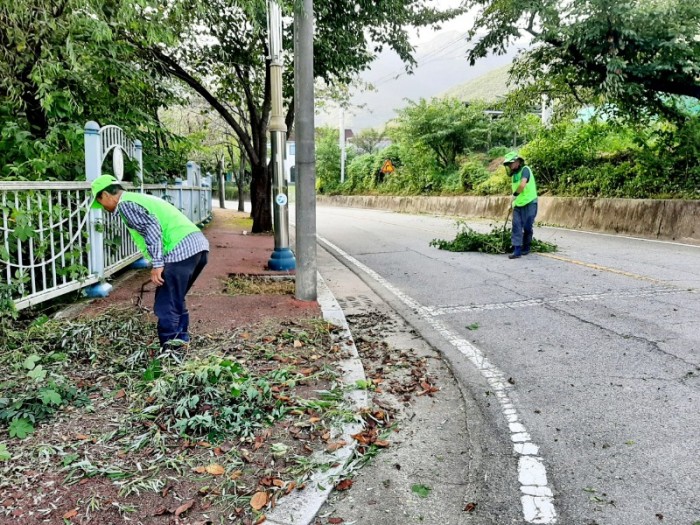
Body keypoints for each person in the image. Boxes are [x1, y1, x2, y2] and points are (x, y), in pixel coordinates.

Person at [91, 175, 209, 350]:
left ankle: (171, 353)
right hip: (197, 246)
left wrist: (158, 264)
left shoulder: (125, 205)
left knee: (166, 304)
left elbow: (152, 229)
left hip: (180, 250)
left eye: (100, 201)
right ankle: (182, 342)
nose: (101, 206)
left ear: (107, 195)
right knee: (175, 299)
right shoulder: (138, 199)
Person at [503, 152, 538, 259]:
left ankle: (526, 247)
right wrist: (511, 203)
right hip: (518, 204)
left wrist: (514, 195)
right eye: (508, 164)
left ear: (517, 161)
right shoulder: (514, 176)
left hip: (530, 202)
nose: (509, 165)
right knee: (516, 226)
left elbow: (523, 184)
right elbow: (515, 188)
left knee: (527, 226)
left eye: (511, 163)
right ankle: (517, 250)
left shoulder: (525, 170)